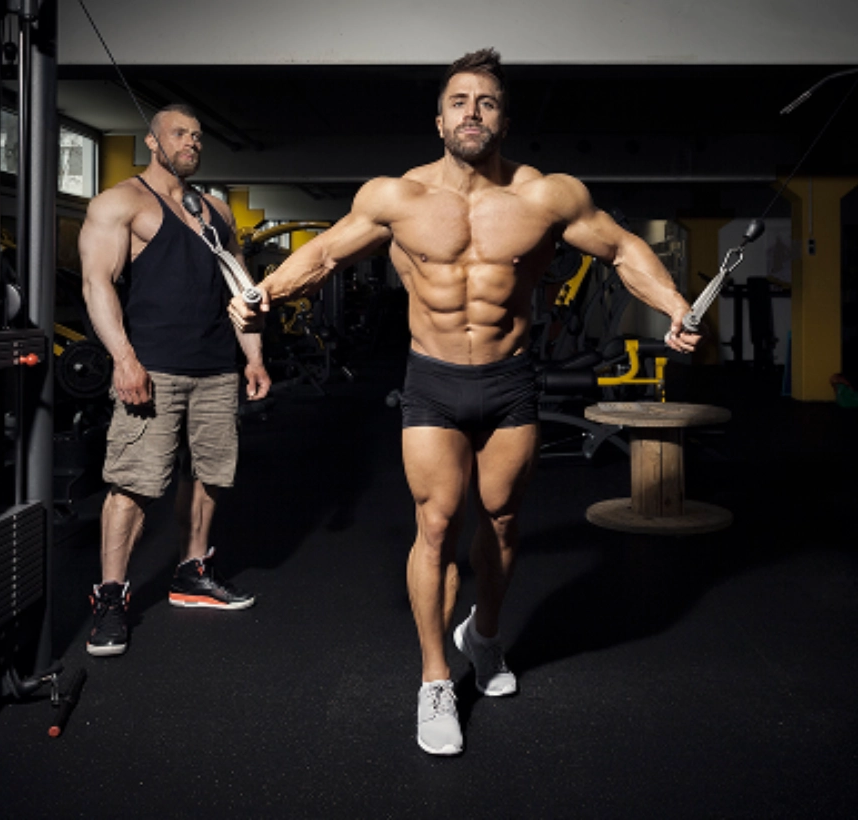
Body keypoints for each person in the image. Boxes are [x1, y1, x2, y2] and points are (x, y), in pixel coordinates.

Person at [230, 49, 700, 755]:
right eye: (459, 100)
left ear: (503, 118)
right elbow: (324, 254)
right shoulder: (398, 197)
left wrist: (674, 304)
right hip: (432, 381)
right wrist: (266, 295)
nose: (472, 112)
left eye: (485, 101)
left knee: (505, 522)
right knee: (436, 523)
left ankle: (483, 635)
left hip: (510, 382)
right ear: (440, 116)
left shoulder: (547, 196)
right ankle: (434, 682)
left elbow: (624, 249)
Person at [79, 103, 271, 657]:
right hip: (153, 366)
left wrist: (253, 357)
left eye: (198, 136)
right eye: (180, 134)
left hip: (216, 367)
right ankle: (111, 597)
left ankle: (191, 573)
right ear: (152, 141)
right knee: (135, 482)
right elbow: (98, 284)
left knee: (210, 474)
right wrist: (122, 358)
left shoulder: (214, 210)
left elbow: (242, 288)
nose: (192, 142)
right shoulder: (122, 202)